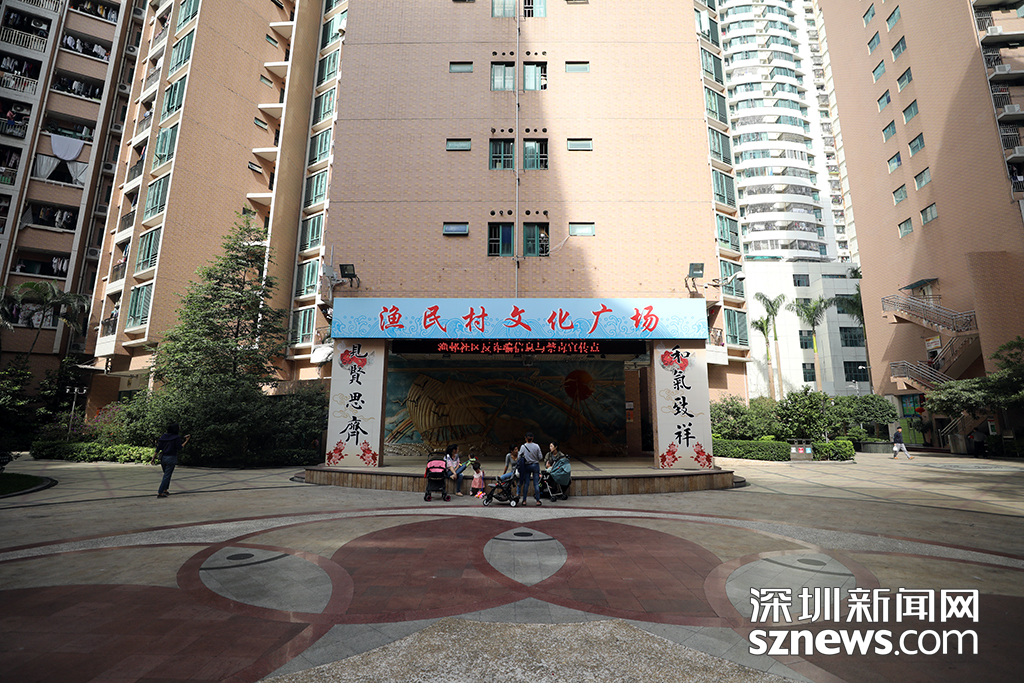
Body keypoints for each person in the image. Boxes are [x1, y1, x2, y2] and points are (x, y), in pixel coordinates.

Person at [153, 424, 190, 498]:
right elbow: (179, 448)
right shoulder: (176, 437)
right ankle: (160, 492)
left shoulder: (163, 436)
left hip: (163, 458)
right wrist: (186, 441)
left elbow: (158, 448)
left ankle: (165, 490)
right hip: (171, 457)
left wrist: (153, 458)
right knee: (167, 475)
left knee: (166, 475)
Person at [517, 432, 544, 506]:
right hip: (535, 465)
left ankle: (524, 500)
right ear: (533, 438)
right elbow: (540, 457)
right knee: (536, 484)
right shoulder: (536, 446)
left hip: (527, 466)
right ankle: (538, 500)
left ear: (525, 438)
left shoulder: (523, 446)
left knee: (526, 484)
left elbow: (519, 457)